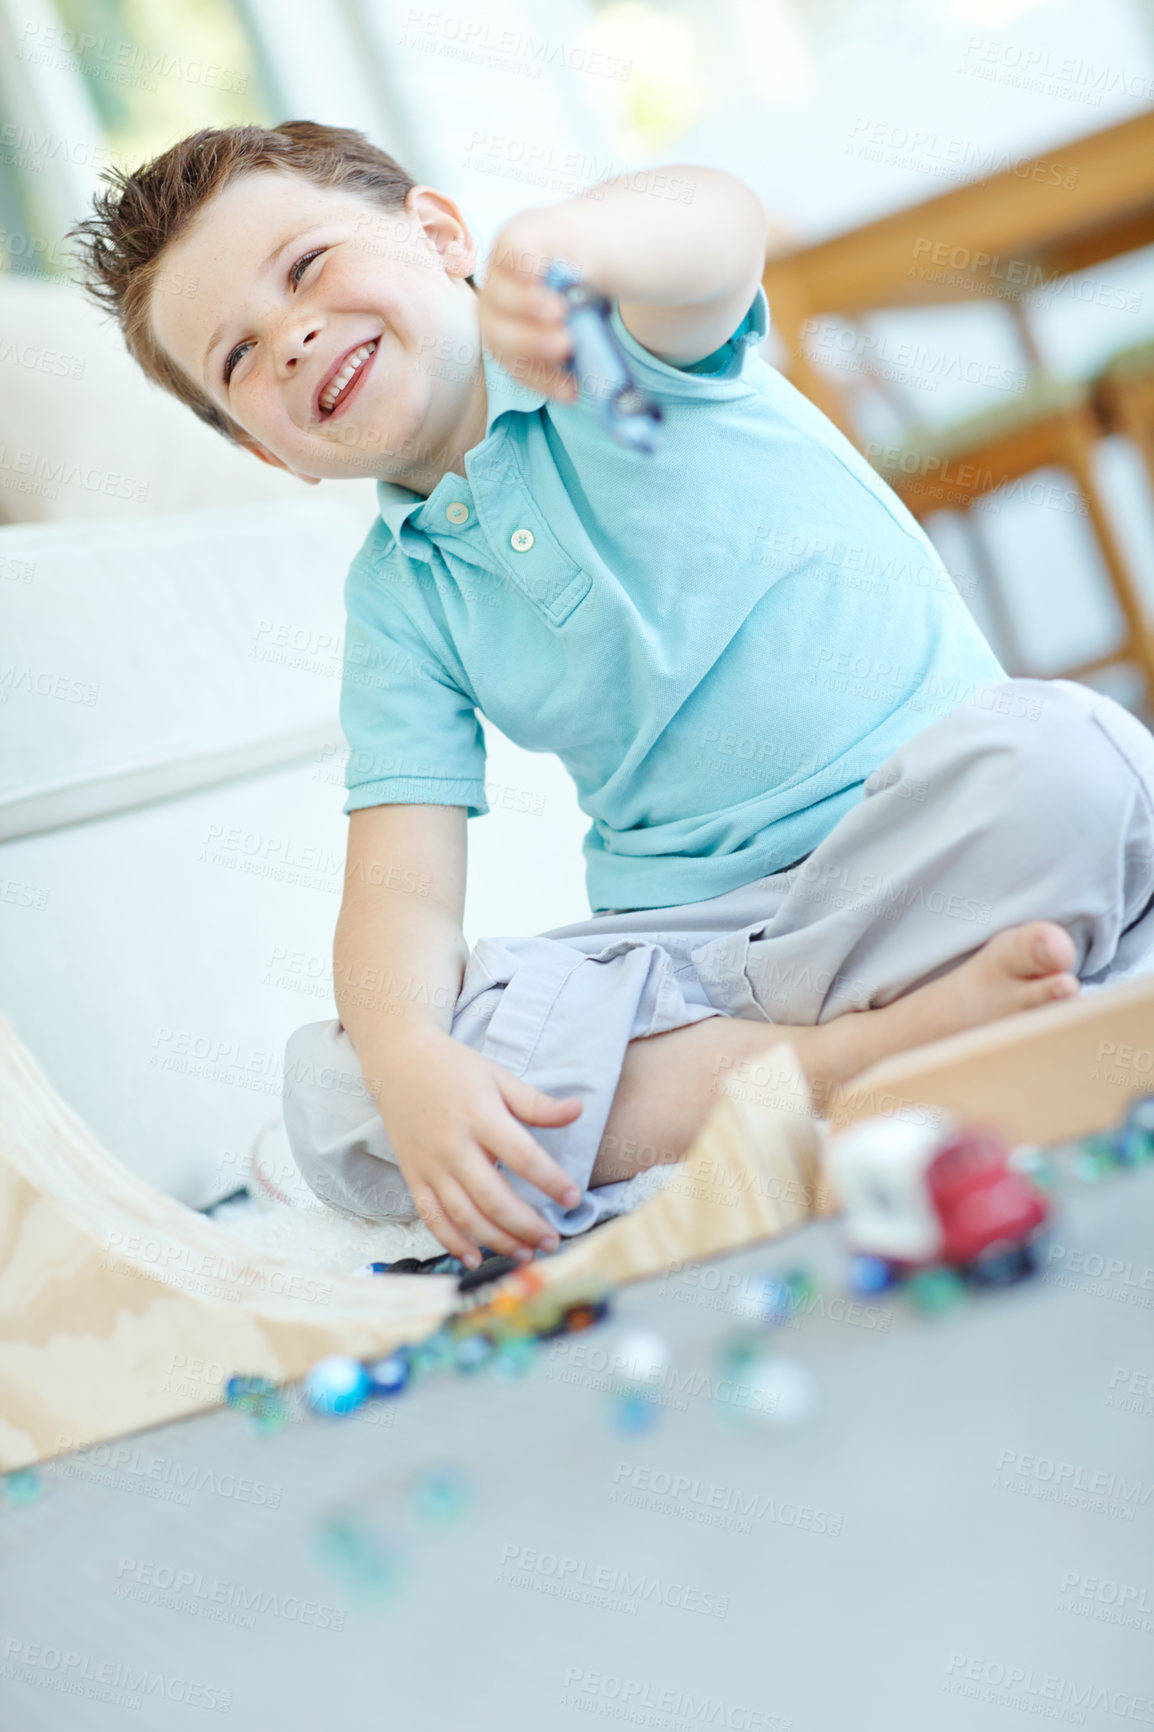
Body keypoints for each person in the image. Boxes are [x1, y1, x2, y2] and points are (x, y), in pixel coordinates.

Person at [73, 122, 1154, 1270]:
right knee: (343, 1096)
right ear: (265, 453)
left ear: (440, 237)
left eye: (304, 267)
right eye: (235, 359)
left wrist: (571, 240)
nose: (287, 338)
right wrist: (407, 1060)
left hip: (921, 839)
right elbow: (401, 887)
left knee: (1074, 760)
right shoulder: (398, 598)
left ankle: (754, 1080)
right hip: (695, 947)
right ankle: (868, 1055)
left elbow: (716, 226)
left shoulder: (611, 345)